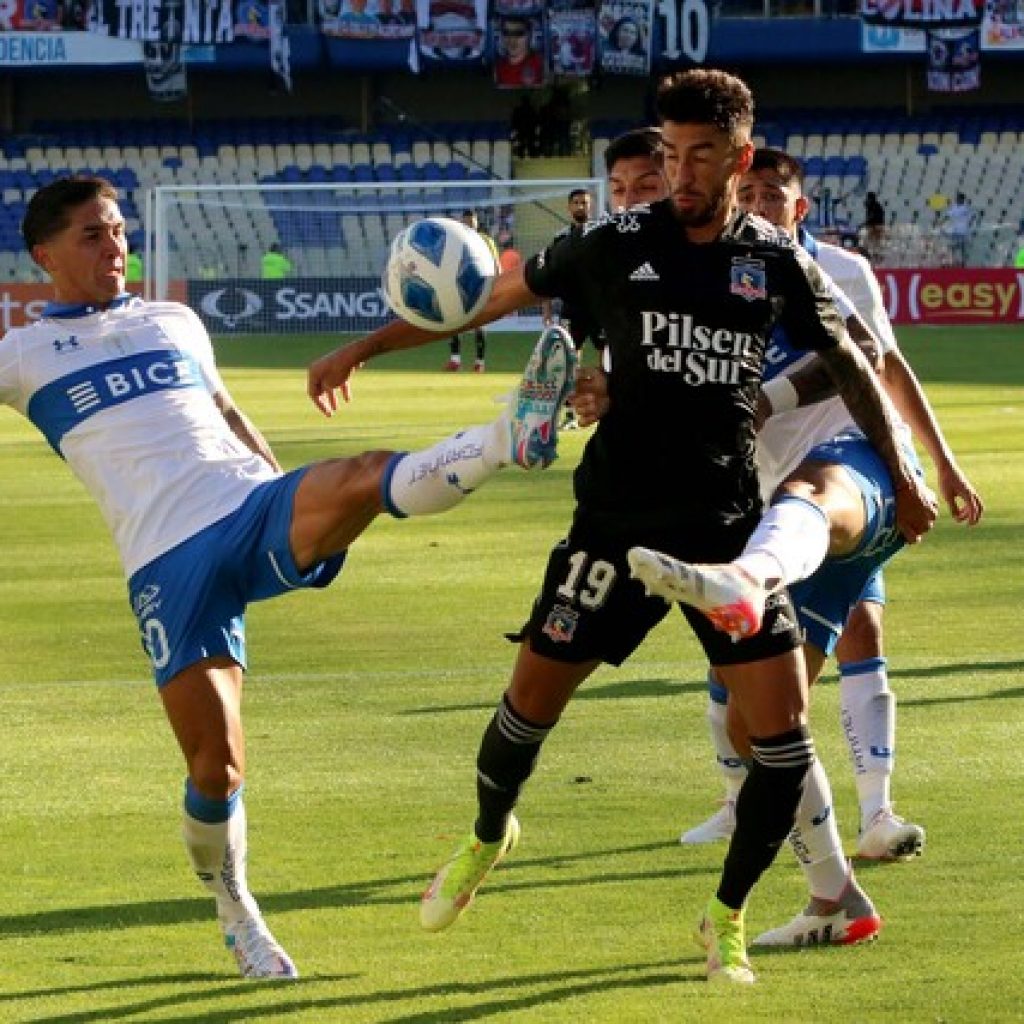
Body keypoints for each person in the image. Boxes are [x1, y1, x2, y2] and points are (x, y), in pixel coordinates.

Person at [307, 69, 936, 985]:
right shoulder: (614, 242)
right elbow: (496, 295)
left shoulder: (775, 262)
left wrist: (910, 480)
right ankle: (487, 834)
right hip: (613, 524)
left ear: (740, 159)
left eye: (702, 156)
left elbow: (851, 363)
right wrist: (363, 346)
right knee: (527, 709)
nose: (680, 174)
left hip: (725, 528)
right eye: (671, 154)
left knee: (782, 741)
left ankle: (727, 915)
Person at [1, 176, 577, 981]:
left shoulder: (174, 320)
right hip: (167, 560)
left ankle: (504, 438)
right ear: (45, 255)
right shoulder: (21, 354)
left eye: (120, 229)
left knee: (362, 473)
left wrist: (279, 488)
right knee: (217, 770)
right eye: (93, 235)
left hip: (249, 505)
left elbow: (228, 413)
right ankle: (234, 906)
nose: (115, 246)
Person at [629, 146, 981, 945]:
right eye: (743, 192)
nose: (754, 203)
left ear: (796, 204)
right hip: (778, 510)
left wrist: (927, 466)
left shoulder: (817, 268)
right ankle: (834, 896)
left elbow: (871, 360)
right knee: (759, 722)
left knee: (827, 525)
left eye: (766, 192)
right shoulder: (690, 277)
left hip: (857, 466)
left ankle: (876, 807)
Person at [540, 188, 596, 430]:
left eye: (585, 202)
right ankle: (571, 413)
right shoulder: (561, 239)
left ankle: (610, 409)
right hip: (572, 308)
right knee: (568, 360)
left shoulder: (602, 234)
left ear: (591, 206)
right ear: (569, 207)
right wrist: (546, 309)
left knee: (610, 359)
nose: (581, 206)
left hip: (599, 307)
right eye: (576, 202)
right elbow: (549, 276)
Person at [445, 210, 500, 373]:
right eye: (466, 221)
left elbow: (496, 263)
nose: (469, 224)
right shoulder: (457, 240)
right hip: (460, 286)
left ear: (476, 222)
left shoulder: (486, 240)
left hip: (481, 286)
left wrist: (498, 284)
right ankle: (455, 360)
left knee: (479, 323)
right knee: (454, 322)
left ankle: (479, 362)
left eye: (471, 221)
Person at [494, 15, 544, 88]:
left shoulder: (540, 65)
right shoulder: (497, 67)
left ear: (529, 35)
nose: (512, 40)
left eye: (519, 33)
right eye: (507, 33)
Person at [944, 192, 974, 267]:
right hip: (955, 230)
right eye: (956, 198)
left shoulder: (965, 208)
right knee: (956, 246)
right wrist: (941, 222)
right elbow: (948, 215)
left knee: (961, 247)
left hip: (963, 230)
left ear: (961, 199)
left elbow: (972, 216)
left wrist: (969, 223)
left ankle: (962, 263)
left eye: (957, 198)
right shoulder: (954, 207)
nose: (956, 199)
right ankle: (955, 261)